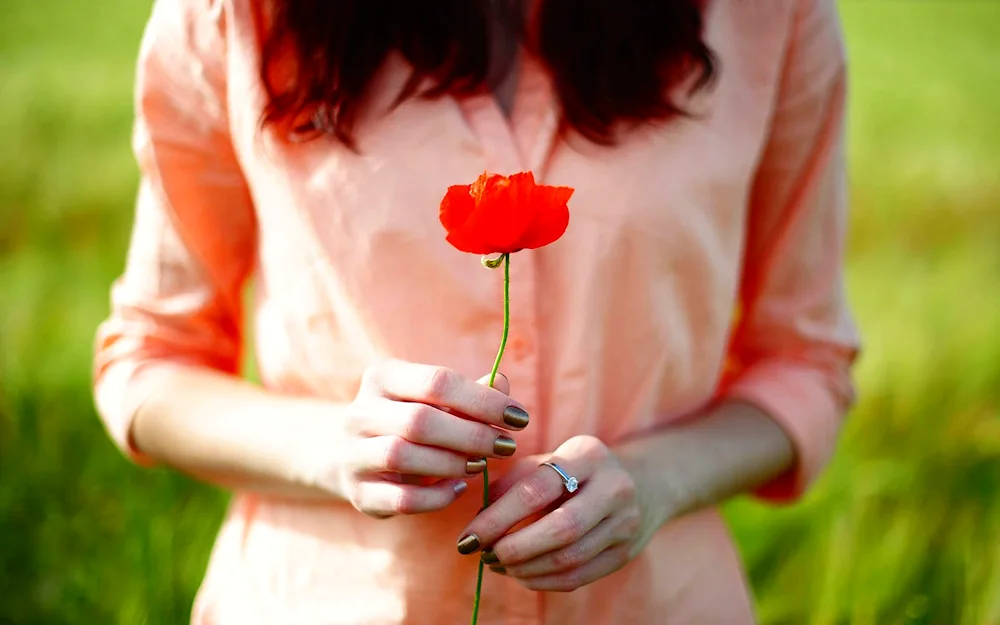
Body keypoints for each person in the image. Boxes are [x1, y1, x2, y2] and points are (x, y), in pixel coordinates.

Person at [91, 0, 859, 623]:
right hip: (321, 601)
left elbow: (806, 363)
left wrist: (654, 481)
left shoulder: (770, 19)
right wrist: (332, 445)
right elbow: (150, 362)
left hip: (659, 604)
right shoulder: (233, 18)